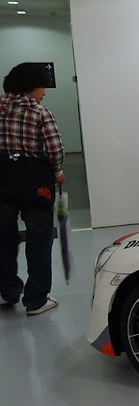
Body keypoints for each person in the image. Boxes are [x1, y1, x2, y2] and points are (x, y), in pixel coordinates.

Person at [0, 63, 65, 315]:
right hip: (35, 185)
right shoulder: (40, 113)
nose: (44, 92)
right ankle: (36, 300)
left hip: (2, 183)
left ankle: (7, 291)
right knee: (39, 240)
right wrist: (58, 172)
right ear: (29, 87)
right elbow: (54, 149)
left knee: (3, 238)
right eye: (42, 87)